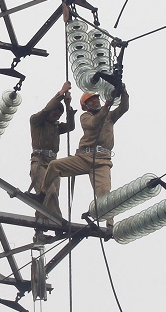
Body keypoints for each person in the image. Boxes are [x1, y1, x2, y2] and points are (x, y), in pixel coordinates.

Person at [35, 85, 129, 223]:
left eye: (96, 99)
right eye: (91, 101)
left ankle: (110, 225)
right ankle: (43, 194)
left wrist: (123, 91)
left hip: (102, 162)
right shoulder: (85, 116)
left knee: (104, 193)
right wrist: (106, 107)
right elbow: (93, 123)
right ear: (85, 106)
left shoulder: (110, 116)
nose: (95, 101)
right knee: (54, 165)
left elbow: (124, 108)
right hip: (83, 158)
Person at [28, 80, 76, 223]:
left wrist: (68, 106)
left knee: (47, 198)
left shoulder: (56, 127)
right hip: (39, 161)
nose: (56, 117)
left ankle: (40, 228)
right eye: (54, 113)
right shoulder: (36, 121)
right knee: (50, 193)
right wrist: (61, 93)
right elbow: (46, 109)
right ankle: (58, 222)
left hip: (53, 164)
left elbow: (70, 127)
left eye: (59, 115)